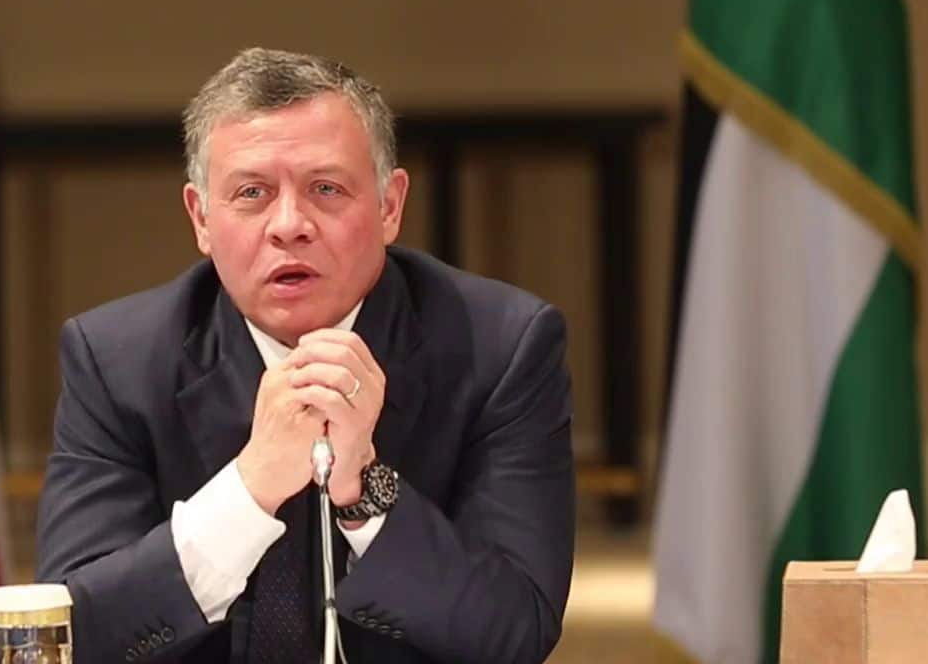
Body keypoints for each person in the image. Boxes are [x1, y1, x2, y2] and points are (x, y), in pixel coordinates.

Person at [36, 47, 575, 664]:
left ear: (390, 206)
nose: (289, 224)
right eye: (252, 193)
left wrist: (363, 490)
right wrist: (248, 491)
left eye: (326, 189)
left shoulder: (502, 348)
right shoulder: (117, 361)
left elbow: (516, 633)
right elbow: (74, 637)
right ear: (201, 218)